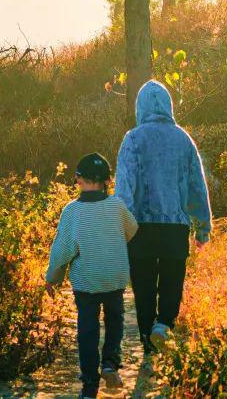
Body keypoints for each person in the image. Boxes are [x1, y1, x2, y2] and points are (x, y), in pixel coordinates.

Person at [115, 79, 213, 354]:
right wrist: (203, 228)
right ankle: (164, 324)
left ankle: (148, 338)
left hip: (141, 228)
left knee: (144, 286)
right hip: (175, 228)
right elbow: (197, 186)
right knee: (172, 281)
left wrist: (121, 227)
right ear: (169, 105)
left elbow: (124, 187)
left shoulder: (132, 139)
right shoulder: (183, 139)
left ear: (140, 107)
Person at [45, 152, 139, 399]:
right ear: (108, 180)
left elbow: (61, 251)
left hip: (86, 281)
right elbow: (132, 229)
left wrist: (52, 278)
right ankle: (110, 363)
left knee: (87, 329)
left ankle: (89, 385)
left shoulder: (72, 212)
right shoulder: (117, 206)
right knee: (115, 321)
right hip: (115, 276)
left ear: (78, 179)